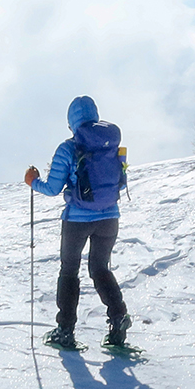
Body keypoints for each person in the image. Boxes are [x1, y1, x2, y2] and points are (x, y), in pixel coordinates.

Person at [25, 95, 130, 350]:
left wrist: (32, 181)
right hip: (110, 217)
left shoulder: (68, 148)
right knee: (100, 269)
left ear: (71, 122)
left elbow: (52, 188)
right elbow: (121, 181)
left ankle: (65, 330)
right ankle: (118, 318)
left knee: (69, 270)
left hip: (77, 220)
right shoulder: (112, 144)